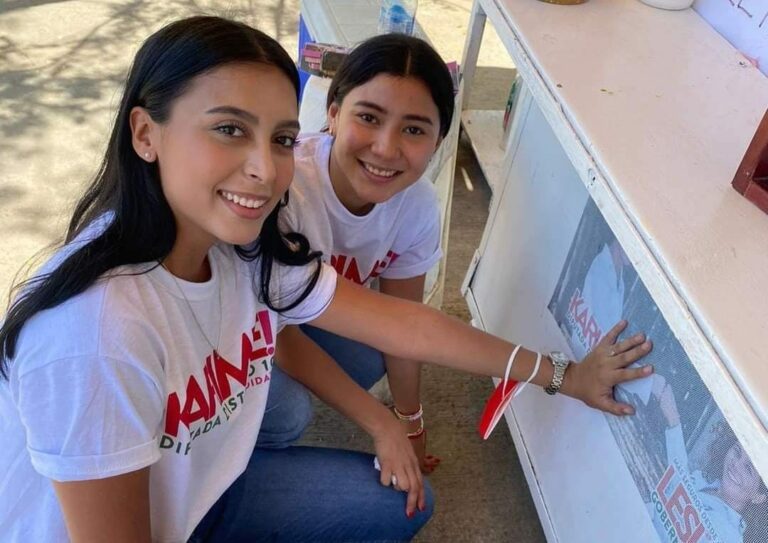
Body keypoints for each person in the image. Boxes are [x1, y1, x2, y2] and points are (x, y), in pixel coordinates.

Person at [0, 16, 653, 543]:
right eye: (229, 129)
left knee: (401, 505)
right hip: (149, 517)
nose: (264, 169)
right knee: (291, 412)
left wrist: (564, 375)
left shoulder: (245, 247)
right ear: (146, 133)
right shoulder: (94, 336)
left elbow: (411, 326)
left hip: (204, 482)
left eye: (282, 138)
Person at [258, 34, 455, 475]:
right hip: (249, 329)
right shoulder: (287, 186)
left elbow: (404, 326)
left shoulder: (418, 206)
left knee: (371, 356)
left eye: (414, 129)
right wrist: (381, 424)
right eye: (368, 117)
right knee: (288, 413)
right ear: (333, 113)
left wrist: (410, 422)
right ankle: (232, 458)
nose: (385, 148)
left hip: (308, 317)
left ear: (439, 140)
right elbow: (276, 331)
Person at [650, 375, 767, 542]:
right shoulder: (706, 481)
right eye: (737, 452)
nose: (736, 464)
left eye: (749, 469)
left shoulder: (729, 536)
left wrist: (673, 417)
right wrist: (670, 412)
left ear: (758, 497)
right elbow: (676, 482)